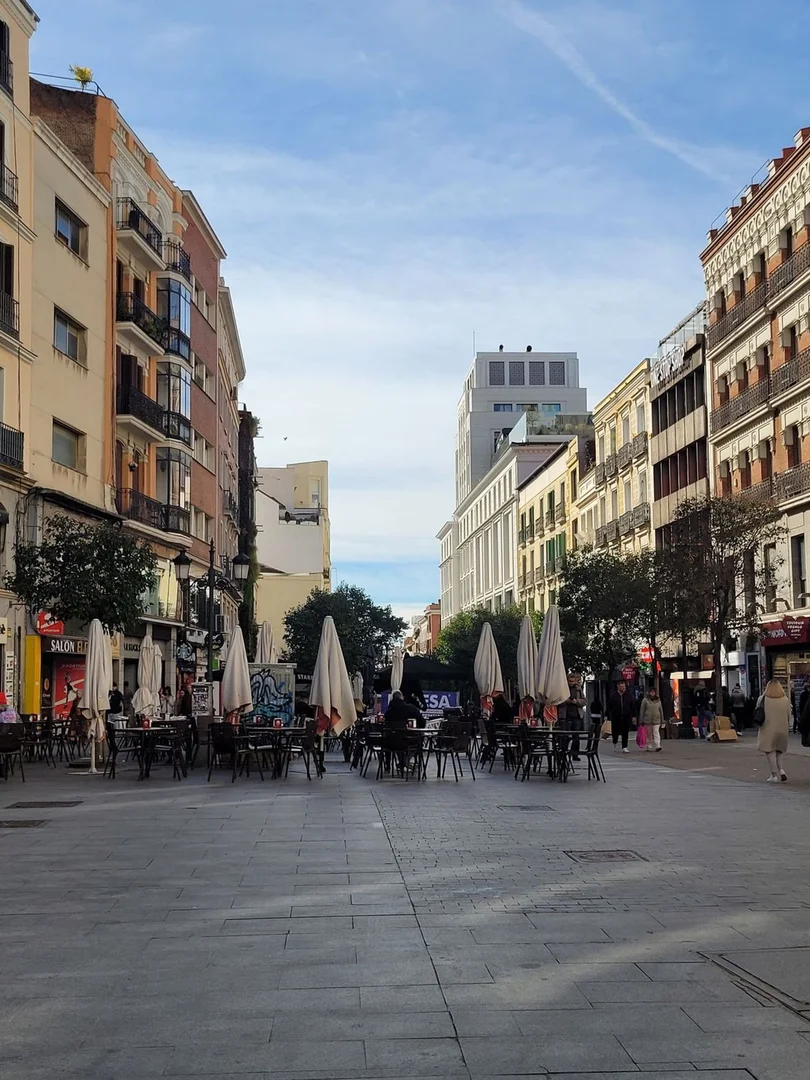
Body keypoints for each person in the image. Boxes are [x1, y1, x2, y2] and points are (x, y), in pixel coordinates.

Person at [758, 679, 790, 782]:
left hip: (768, 729)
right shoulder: (785, 700)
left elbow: (757, 711)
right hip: (782, 729)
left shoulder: (762, 699)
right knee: (779, 751)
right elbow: (789, 715)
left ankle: (774, 775)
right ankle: (781, 770)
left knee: (770, 751)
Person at [561, 672, 586, 760]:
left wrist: (576, 701)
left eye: (573, 681)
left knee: (576, 736)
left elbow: (584, 701)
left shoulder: (578, 689)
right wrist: (566, 701)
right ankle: (563, 753)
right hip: (566, 715)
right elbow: (559, 701)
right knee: (565, 736)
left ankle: (575, 754)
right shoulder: (563, 689)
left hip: (576, 715)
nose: (571, 683)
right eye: (570, 681)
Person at [607, 679, 636, 753]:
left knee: (625, 732)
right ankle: (615, 740)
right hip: (616, 717)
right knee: (615, 731)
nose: (623, 688)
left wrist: (634, 716)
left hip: (626, 716)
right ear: (618, 687)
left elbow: (632, 706)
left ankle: (624, 746)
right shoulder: (614, 696)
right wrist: (607, 715)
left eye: (624, 686)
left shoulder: (629, 695)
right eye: (622, 686)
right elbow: (609, 706)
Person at [638, 687, 664, 752]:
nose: (652, 693)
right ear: (649, 692)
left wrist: (662, 720)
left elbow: (661, 710)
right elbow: (642, 710)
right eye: (651, 692)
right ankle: (649, 745)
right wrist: (641, 720)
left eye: (653, 692)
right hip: (647, 720)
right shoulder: (645, 700)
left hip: (656, 719)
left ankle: (658, 745)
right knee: (648, 734)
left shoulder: (658, 700)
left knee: (656, 732)